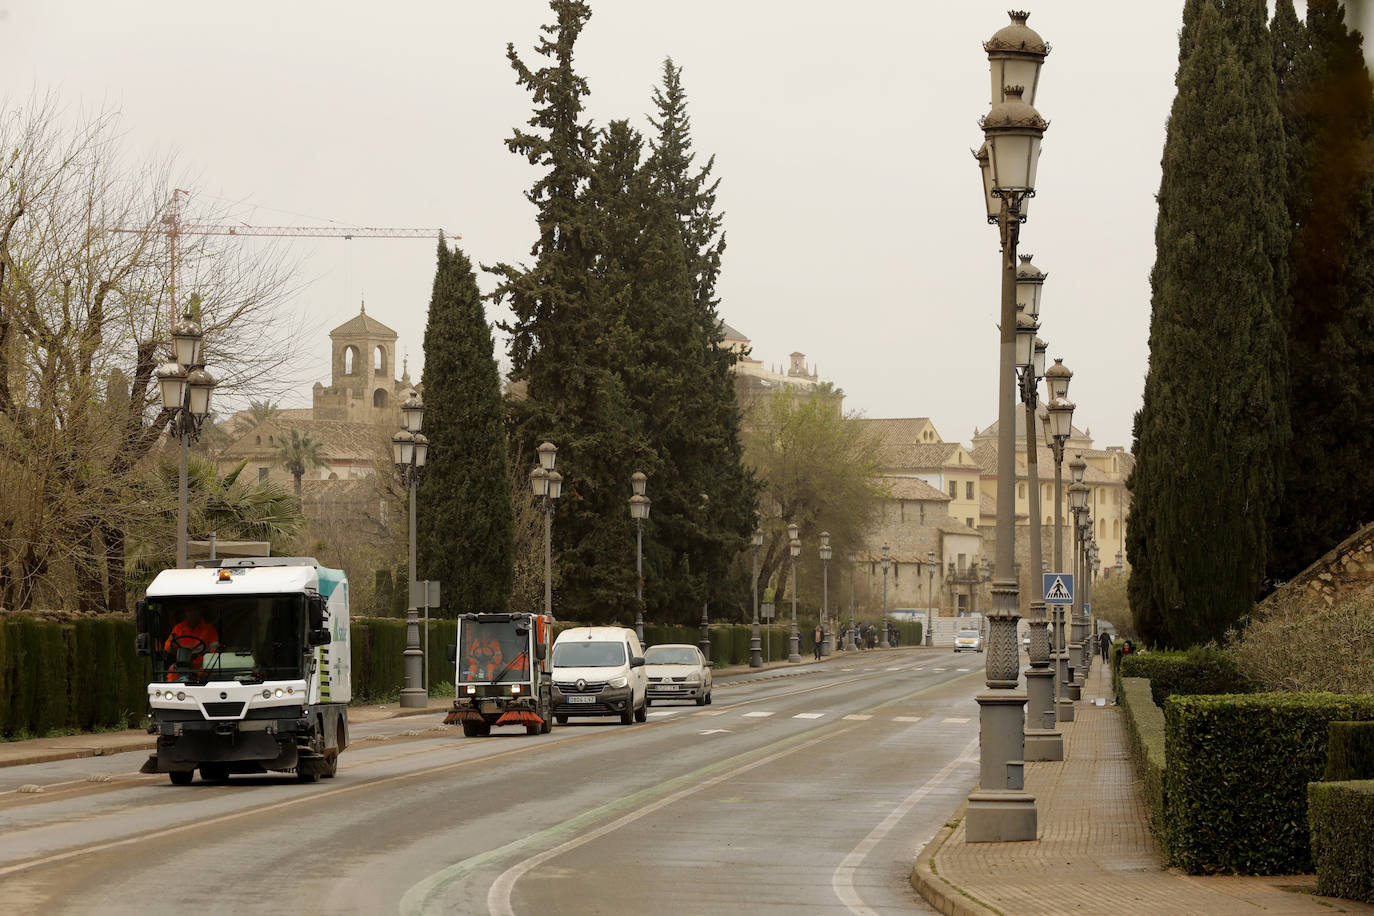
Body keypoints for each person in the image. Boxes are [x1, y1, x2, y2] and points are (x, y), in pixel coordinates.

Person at [165, 605, 220, 682]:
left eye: (195, 610)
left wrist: (204, 666)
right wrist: (172, 649)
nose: (192, 613)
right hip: (182, 666)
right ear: (185, 613)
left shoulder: (209, 630)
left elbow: (215, 652)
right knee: (172, 671)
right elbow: (167, 647)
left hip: (202, 666)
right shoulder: (178, 628)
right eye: (189, 611)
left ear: (200, 612)